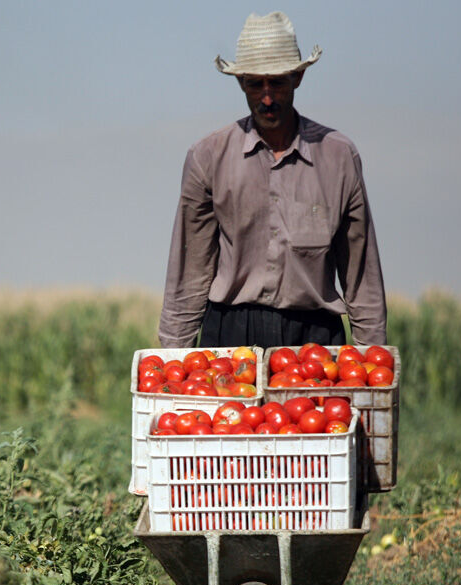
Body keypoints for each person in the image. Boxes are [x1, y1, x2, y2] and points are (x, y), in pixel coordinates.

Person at [158, 11, 387, 350]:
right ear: (241, 84)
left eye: (277, 82)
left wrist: (374, 365)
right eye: (255, 84)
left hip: (316, 341)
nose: (267, 98)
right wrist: (172, 368)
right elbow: (189, 278)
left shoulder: (339, 158)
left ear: (298, 77)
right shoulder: (208, 157)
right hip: (229, 337)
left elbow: (361, 281)